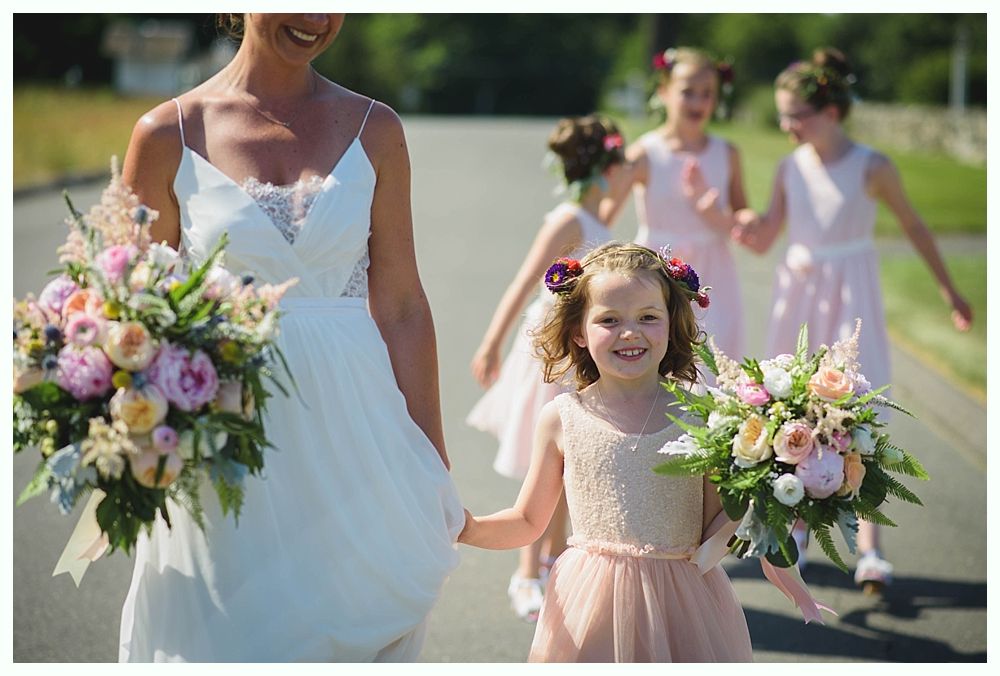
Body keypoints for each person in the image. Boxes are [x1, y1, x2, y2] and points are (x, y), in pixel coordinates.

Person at [116, 13, 464, 661]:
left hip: (359, 436)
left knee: (357, 619)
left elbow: (404, 305)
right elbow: (129, 314)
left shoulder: (376, 128)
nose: (315, 18)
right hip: (226, 445)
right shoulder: (168, 132)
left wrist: (430, 461)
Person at [733, 47, 973, 592]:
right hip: (798, 293)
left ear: (833, 112)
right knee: (792, 406)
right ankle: (795, 528)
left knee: (854, 413)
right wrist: (741, 223)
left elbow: (914, 227)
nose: (786, 125)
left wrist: (950, 291)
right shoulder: (789, 166)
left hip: (849, 293)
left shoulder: (871, 165)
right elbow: (767, 232)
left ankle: (871, 546)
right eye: (783, 114)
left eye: (796, 114)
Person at [460, 242, 753, 662]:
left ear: (671, 323)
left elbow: (716, 525)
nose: (630, 332)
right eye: (609, 320)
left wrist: (768, 491)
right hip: (590, 601)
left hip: (684, 601)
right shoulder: (562, 417)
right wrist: (467, 527)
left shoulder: (702, 412)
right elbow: (527, 521)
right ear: (579, 331)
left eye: (648, 317)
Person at [466, 116, 627, 621]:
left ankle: (554, 562)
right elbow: (524, 281)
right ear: (603, 168)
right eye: (621, 163)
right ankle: (526, 572)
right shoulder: (568, 220)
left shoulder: (599, 221)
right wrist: (491, 343)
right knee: (548, 464)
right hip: (552, 352)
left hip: (580, 353)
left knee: (569, 462)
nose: (630, 173)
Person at [601, 47, 748, 359]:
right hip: (658, 268)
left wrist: (734, 217)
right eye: (688, 92)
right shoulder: (646, 152)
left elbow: (741, 219)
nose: (698, 102)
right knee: (661, 353)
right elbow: (604, 217)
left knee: (715, 357)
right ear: (664, 92)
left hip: (714, 273)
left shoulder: (727, 153)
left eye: (707, 93)